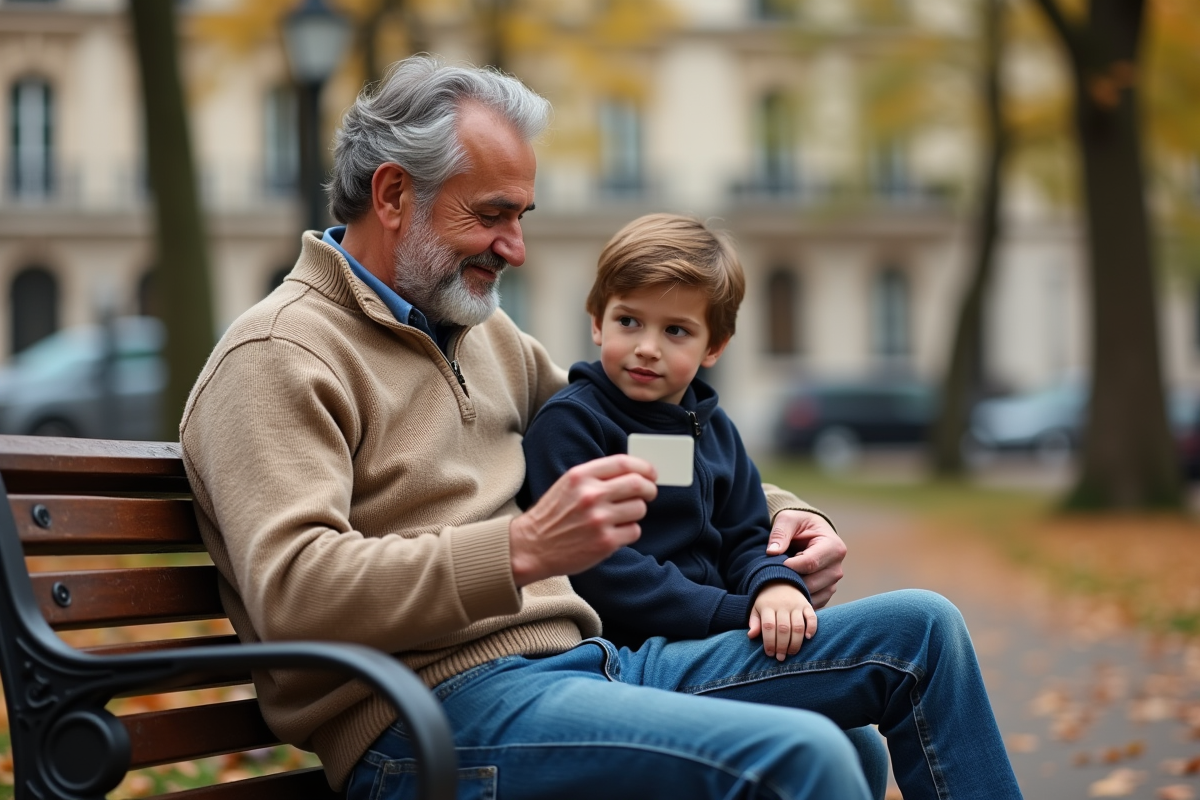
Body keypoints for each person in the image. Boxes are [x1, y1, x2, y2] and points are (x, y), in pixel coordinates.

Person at [180, 55, 1022, 799]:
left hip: (598, 665)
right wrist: (519, 553)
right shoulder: (279, 354)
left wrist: (789, 515)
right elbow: (295, 594)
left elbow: (643, 433)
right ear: (395, 193)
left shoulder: (482, 337)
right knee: (810, 755)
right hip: (430, 719)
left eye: (523, 217)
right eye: (492, 215)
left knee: (922, 633)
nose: (515, 247)